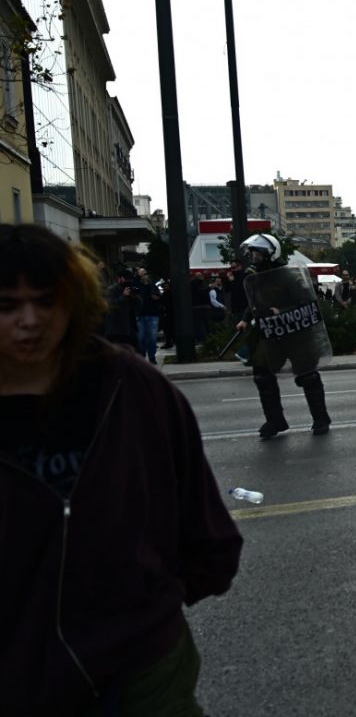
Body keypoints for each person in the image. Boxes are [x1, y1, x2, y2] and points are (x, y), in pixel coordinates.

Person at [0, 223, 242, 715]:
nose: (29, 321)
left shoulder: (132, 388)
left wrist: (152, 610)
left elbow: (202, 519)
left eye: (46, 302)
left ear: (75, 302)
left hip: (143, 665)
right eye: (7, 306)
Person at [234, 233, 333, 438]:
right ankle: (275, 421)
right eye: (252, 253)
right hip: (270, 333)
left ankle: (321, 418)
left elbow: (305, 300)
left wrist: (283, 309)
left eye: (256, 253)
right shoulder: (255, 278)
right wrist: (245, 319)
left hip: (296, 333)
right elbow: (254, 304)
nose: (253, 257)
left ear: (268, 253)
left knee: (308, 375)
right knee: (262, 375)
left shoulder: (287, 275)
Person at [102, 268, 140, 350]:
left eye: (130, 279)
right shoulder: (112, 290)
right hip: (116, 329)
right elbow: (110, 306)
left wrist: (135, 297)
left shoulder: (130, 288)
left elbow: (138, 305)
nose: (128, 281)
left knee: (136, 352)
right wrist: (123, 296)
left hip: (130, 327)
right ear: (120, 278)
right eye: (126, 279)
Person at [135, 268, 162, 364]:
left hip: (152, 314)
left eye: (146, 274)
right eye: (142, 274)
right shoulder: (138, 286)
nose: (144, 276)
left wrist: (156, 297)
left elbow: (159, 297)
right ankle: (142, 356)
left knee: (152, 338)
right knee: (141, 338)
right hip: (141, 314)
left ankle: (151, 357)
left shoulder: (153, 286)